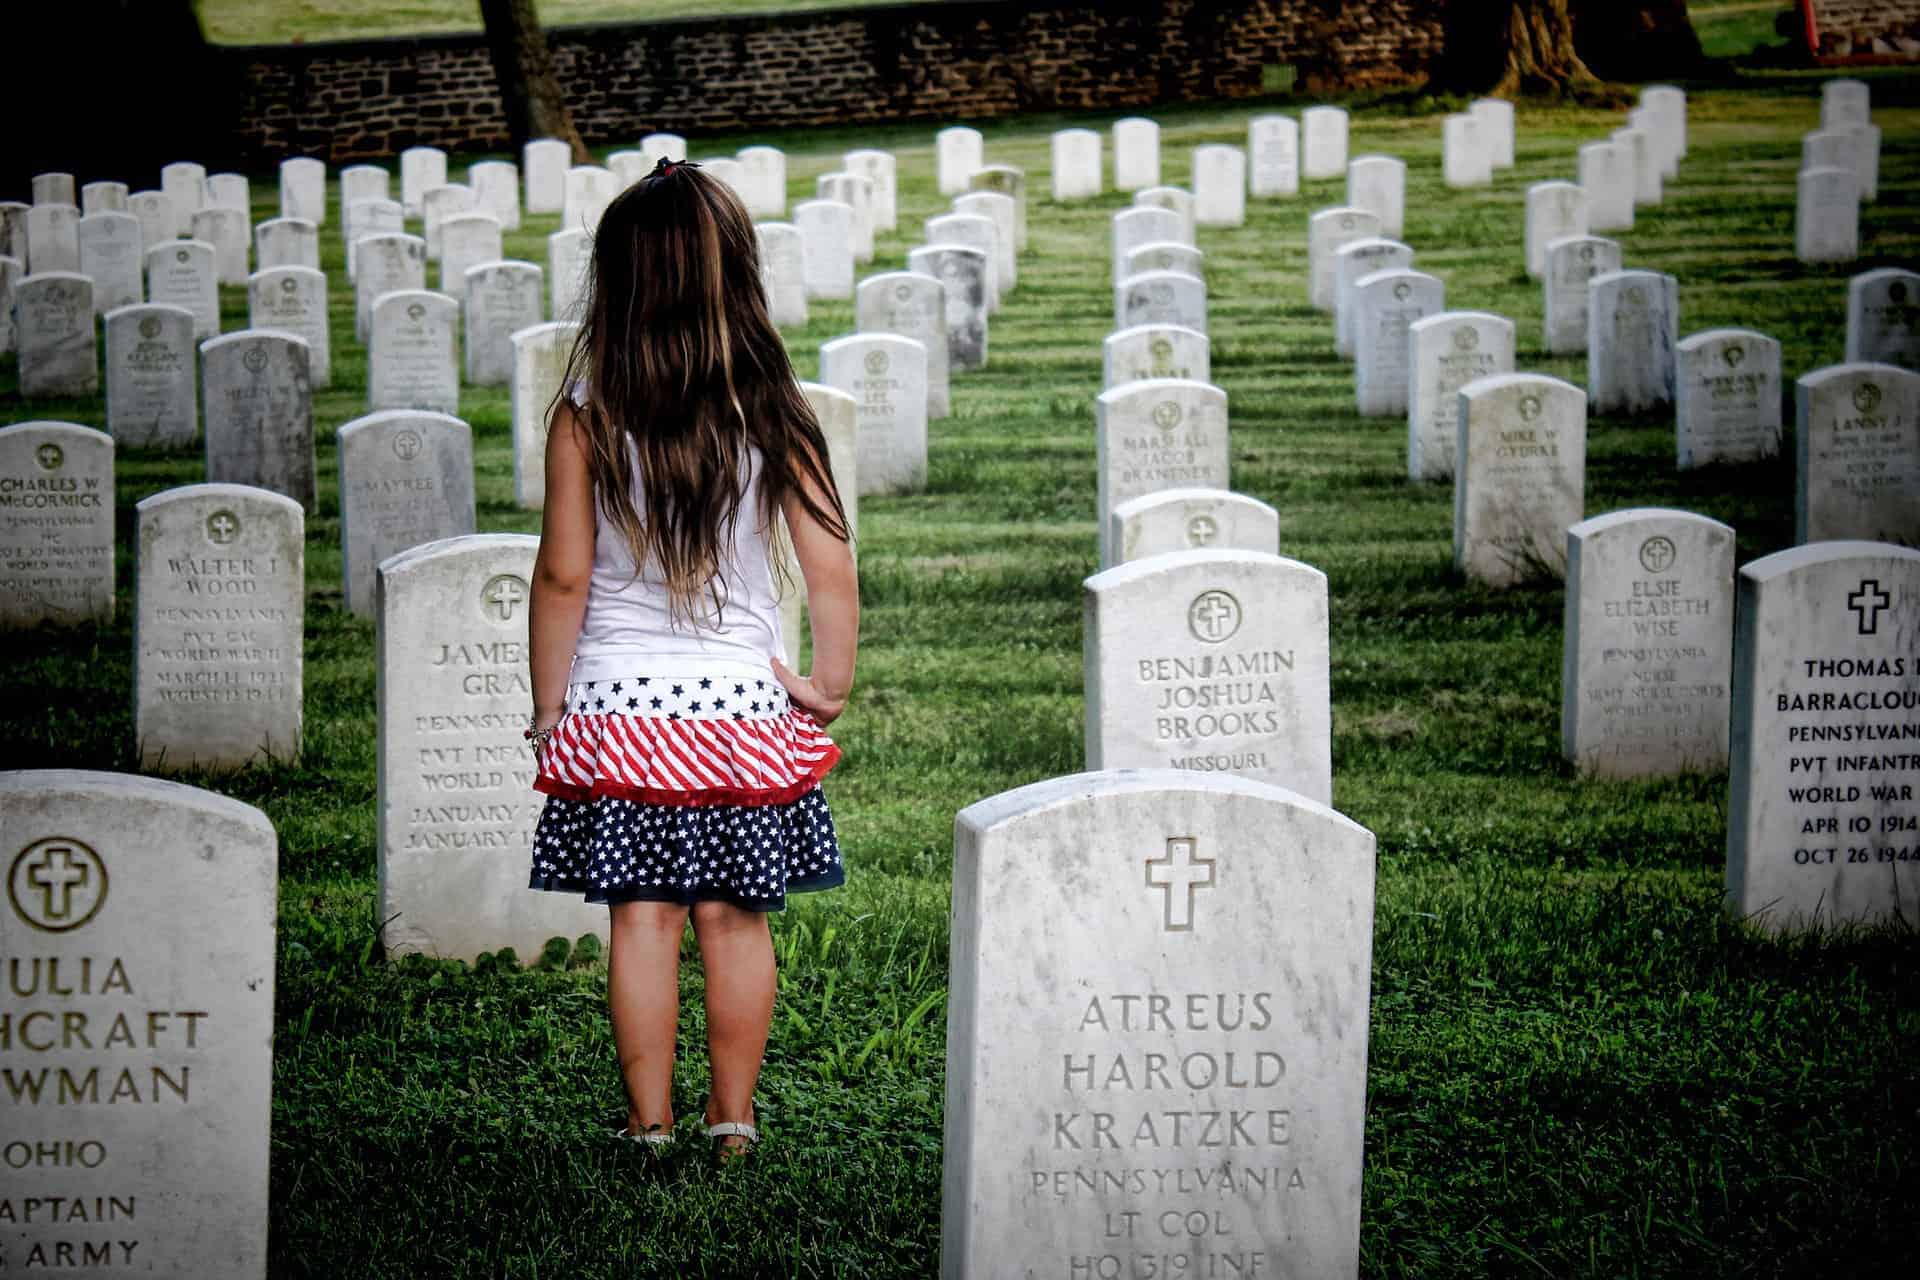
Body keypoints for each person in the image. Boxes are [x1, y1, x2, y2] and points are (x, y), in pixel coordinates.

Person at [522, 156, 857, 1164]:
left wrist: (550, 707)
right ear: (737, 277)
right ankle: (735, 1119)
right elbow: (829, 564)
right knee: (735, 914)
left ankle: (648, 1121)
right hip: (743, 714)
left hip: (623, 710)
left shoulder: (587, 414)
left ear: (618, 282)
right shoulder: (774, 407)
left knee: (643, 917)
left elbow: (563, 578)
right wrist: (827, 682)